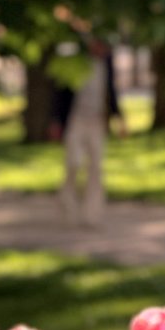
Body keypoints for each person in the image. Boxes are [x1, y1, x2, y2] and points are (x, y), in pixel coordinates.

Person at [53, 37, 126, 227]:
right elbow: (61, 94)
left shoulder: (106, 65)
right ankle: (67, 205)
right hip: (76, 120)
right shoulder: (76, 63)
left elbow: (111, 91)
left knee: (95, 168)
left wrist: (119, 118)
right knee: (74, 162)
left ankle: (92, 214)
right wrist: (57, 121)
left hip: (97, 121)